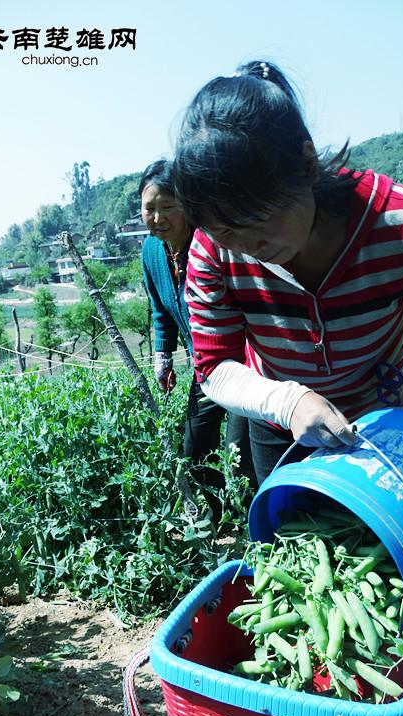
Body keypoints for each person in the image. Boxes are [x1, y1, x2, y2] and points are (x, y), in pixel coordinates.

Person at [172, 60, 403, 486]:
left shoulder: (401, 222)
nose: (251, 246)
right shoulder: (213, 250)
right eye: (228, 230)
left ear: (305, 165)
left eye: (262, 219)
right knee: (287, 539)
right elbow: (214, 365)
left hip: (380, 416)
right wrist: (287, 402)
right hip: (281, 424)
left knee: (383, 538)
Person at [139, 159, 255, 505]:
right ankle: (213, 518)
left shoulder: (212, 243)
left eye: (167, 207)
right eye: (150, 209)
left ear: (188, 204)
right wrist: (163, 356)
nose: (158, 218)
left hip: (246, 363)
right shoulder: (150, 252)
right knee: (195, 447)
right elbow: (161, 310)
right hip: (207, 365)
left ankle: (253, 524)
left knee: (239, 452)